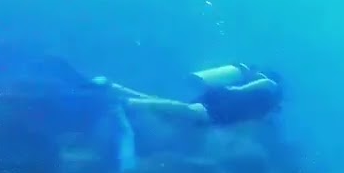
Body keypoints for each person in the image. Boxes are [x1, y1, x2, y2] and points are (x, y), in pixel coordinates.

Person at [108, 63, 283, 129]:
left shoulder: (264, 102)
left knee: (170, 110)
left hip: (221, 100)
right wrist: (240, 90)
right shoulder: (271, 92)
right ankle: (130, 102)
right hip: (224, 107)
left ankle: (119, 89)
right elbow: (268, 83)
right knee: (186, 110)